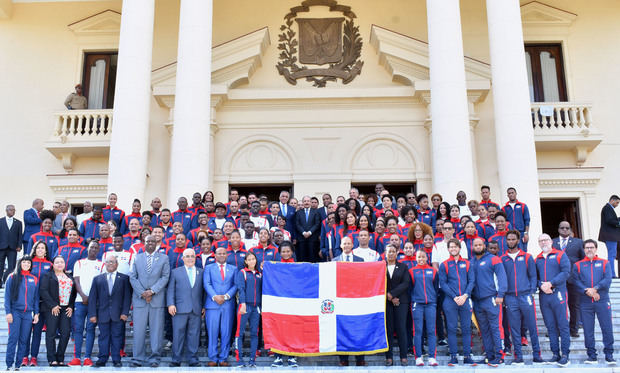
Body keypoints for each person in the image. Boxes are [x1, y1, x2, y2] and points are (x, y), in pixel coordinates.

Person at [500, 230, 542, 365]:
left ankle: (537, 355)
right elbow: (502, 279)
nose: (511, 242)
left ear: (518, 240)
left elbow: (533, 275)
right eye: (509, 240)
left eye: (513, 239)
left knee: (532, 326)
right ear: (506, 241)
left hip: (525, 296)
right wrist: (505, 295)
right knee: (514, 328)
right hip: (511, 297)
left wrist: (531, 291)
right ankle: (518, 356)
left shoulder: (527, 257)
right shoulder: (503, 259)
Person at [129, 235, 171, 368]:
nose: (151, 243)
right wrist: (143, 292)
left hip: (156, 299)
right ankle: (137, 358)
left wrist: (152, 291)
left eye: (153, 241)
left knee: (156, 330)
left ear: (157, 243)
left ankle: (155, 357)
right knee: (138, 330)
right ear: (144, 243)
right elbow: (132, 277)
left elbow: (165, 277)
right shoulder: (137, 257)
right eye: (148, 241)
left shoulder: (164, 258)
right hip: (140, 299)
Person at [572, 239, 615, 365]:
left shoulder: (604, 263)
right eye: (587, 248)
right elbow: (576, 281)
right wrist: (588, 291)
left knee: (607, 327)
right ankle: (591, 355)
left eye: (591, 247)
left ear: (596, 249)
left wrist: (595, 289)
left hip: (602, 299)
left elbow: (607, 279)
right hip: (585, 302)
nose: (589, 249)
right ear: (584, 250)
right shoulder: (578, 265)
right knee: (588, 329)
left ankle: (609, 354)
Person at [88, 255, 131, 368]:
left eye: (112, 262)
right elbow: (92, 298)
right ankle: (102, 358)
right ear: (105, 264)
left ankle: (116, 359)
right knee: (103, 337)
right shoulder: (97, 279)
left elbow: (127, 297)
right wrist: (92, 314)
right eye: (108, 262)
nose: (110, 264)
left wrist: (125, 313)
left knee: (117, 337)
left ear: (116, 264)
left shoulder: (124, 279)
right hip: (102, 314)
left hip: (118, 314)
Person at [535, 234, 571, 366]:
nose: (543, 242)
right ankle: (555, 354)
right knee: (550, 326)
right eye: (541, 240)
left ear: (551, 241)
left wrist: (551, 283)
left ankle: (565, 354)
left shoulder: (561, 255)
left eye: (545, 240)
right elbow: (534, 277)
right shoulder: (537, 259)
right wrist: (541, 285)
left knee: (562, 325)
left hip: (558, 294)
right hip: (544, 296)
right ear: (539, 243)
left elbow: (566, 272)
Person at [439, 238, 476, 366]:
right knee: (452, 328)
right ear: (448, 249)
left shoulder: (467, 263)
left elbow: (471, 281)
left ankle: (467, 356)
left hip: (465, 300)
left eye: (455, 246)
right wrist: (454, 296)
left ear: (459, 248)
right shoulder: (444, 264)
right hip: (450, 300)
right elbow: (443, 283)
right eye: (451, 247)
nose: (453, 249)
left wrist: (465, 296)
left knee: (466, 328)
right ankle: (453, 356)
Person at [471, 237, 506, 367]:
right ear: (473, 247)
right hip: (477, 301)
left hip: (491, 298)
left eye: (480, 244)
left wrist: (500, 294)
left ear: (484, 246)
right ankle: (489, 355)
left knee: (495, 328)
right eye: (476, 245)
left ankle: (499, 355)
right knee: (484, 330)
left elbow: (502, 277)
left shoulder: (494, 259)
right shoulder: (472, 262)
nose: (478, 247)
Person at [167, 248, 204, 367]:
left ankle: (193, 359)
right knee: (178, 334)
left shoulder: (201, 272)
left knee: (194, 334)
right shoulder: (175, 272)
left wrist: (203, 306)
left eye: (192, 256)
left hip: (196, 308)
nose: (190, 258)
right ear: (183, 258)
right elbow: (170, 290)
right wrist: (171, 304)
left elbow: (203, 291)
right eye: (187, 256)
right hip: (179, 308)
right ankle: (176, 359)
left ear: (195, 258)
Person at [68, 241, 103, 367]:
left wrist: (91, 298)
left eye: (95, 248)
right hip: (79, 301)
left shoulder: (101, 264)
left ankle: (87, 357)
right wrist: (83, 295)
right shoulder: (79, 263)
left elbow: (101, 284)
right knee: (78, 329)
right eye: (91, 247)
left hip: (94, 303)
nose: (93, 249)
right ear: (87, 249)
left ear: (98, 250)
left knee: (90, 329)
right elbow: (76, 280)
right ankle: (76, 357)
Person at [204, 246, 238, 367]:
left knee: (226, 331)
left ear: (227, 255)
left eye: (224, 253)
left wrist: (227, 296)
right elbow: (206, 283)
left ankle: (223, 358)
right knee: (212, 332)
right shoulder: (208, 268)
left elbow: (235, 285)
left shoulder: (233, 269)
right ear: (215, 255)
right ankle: (213, 358)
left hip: (227, 304)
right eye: (219, 253)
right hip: (212, 304)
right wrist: (215, 296)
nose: (222, 255)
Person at [39, 256, 76, 366]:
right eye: (57, 262)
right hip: (53, 308)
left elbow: (73, 293)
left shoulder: (70, 277)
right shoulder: (48, 276)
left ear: (64, 264)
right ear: (53, 264)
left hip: (66, 309)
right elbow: (43, 291)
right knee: (51, 333)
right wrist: (53, 305)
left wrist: (71, 306)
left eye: (62, 262)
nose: (60, 264)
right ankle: (52, 358)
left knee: (65, 333)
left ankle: (60, 358)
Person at [4, 256, 39, 371]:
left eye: (28, 262)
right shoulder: (12, 277)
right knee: (13, 338)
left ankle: (18, 365)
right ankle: (9, 364)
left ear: (30, 265)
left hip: (27, 314)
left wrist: (36, 313)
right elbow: (7, 297)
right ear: (20, 263)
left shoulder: (34, 279)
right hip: (15, 312)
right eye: (24, 262)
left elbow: (36, 298)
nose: (26, 264)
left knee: (24, 340)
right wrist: (8, 312)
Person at [552, 221, 585, 337]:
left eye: (567, 228)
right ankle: (558, 329)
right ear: (558, 229)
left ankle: (574, 329)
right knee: (558, 305)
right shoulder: (552, 242)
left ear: (570, 229)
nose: (565, 230)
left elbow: (583, 260)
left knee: (574, 304)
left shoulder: (579, 242)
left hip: (573, 279)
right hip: (557, 279)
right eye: (562, 228)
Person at [410, 249, 438, 367]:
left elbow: (436, 288)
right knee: (418, 331)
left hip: (431, 304)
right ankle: (418, 357)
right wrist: (414, 300)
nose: (421, 259)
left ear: (427, 258)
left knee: (431, 331)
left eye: (423, 257)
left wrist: (434, 300)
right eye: (419, 257)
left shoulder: (433, 271)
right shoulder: (411, 271)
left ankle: (432, 357)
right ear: (415, 258)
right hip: (417, 304)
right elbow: (409, 288)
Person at [234, 251, 262, 368]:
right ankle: (239, 359)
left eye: (253, 259)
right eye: (249, 259)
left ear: (256, 260)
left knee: (255, 333)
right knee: (239, 333)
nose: (251, 261)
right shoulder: (243, 272)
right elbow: (241, 288)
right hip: (244, 306)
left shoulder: (259, 274)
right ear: (245, 261)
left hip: (256, 307)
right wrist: (243, 303)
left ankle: (252, 359)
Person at [384, 244, 411, 366]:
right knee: (388, 330)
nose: (391, 253)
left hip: (401, 301)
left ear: (397, 253)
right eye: (389, 251)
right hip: (386, 303)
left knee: (401, 329)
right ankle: (389, 357)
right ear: (385, 253)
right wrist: (388, 296)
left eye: (393, 251)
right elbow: (378, 283)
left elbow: (406, 283)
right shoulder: (381, 267)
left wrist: (393, 295)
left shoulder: (403, 267)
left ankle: (403, 357)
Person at [597, 195, 620, 277]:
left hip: (611, 236)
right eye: (617, 202)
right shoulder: (607, 208)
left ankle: (612, 274)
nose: (617, 205)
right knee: (612, 255)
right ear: (612, 200)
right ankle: (612, 274)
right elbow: (610, 220)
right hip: (610, 236)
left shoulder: (608, 208)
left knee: (612, 255)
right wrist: (618, 223)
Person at [0, 204, 23, 286]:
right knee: (0, 265)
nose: (12, 211)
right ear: (6, 210)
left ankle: (7, 282)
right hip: (1, 247)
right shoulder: (1, 221)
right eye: (10, 209)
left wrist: (19, 245)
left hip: (13, 248)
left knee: (12, 266)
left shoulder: (19, 223)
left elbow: (20, 235)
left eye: (14, 210)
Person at [295, 195, 321, 262]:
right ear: (303, 202)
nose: (306, 202)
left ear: (310, 202)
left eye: (308, 201)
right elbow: (297, 224)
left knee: (312, 258)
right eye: (305, 201)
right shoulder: (298, 212)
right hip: (301, 239)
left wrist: (309, 232)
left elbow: (317, 224)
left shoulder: (316, 212)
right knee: (302, 258)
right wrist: (303, 232)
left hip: (312, 239)